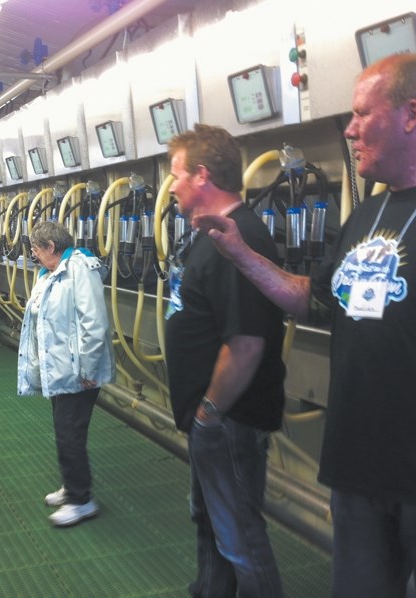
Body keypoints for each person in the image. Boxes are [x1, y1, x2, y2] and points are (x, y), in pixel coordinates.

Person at [197, 53, 416, 597]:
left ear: (412, 114)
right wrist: (242, 254)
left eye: (363, 113)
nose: (349, 128)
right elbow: (314, 300)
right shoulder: (366, 215)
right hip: (358, 469)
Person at [164, 124, 285, 597]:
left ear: (202, 175)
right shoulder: (210, 236)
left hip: (228, 419)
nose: (171, 186)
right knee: (210, 521)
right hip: (212, 420)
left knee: (240, 538)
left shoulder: (240, 239)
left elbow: (246, 344)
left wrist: (208, 414)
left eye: (176, 174)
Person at [17, 221, 116, 527]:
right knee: (65, 431)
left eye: (36, 250)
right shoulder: (51, 272)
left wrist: (87, 368)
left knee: (69, 432)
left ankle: (81, 500)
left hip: (78, 371)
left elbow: (93, 322)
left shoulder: (80, 270)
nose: (34, 256)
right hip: (60, 369)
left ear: (51, 247)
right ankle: (72, 486)